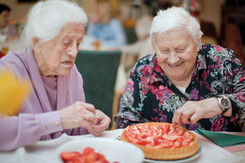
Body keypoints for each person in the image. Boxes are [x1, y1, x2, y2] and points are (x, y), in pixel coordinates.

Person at [0, 0, 111, 151]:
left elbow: (74, 133)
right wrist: (59, 119)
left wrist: (89, 123)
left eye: (78, 43)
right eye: (66, 42)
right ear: (37, 42)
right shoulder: (8, 70)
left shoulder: (73, 74)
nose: (74, 52)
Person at [115, 6, 245, 132]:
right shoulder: (143, 70)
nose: (172, 59)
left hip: (224, 153)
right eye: (164, 50)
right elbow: (124, 123)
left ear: (197, 44)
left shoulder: (223, 61)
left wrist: (219, 104)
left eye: (180, 49)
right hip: (160, 152)